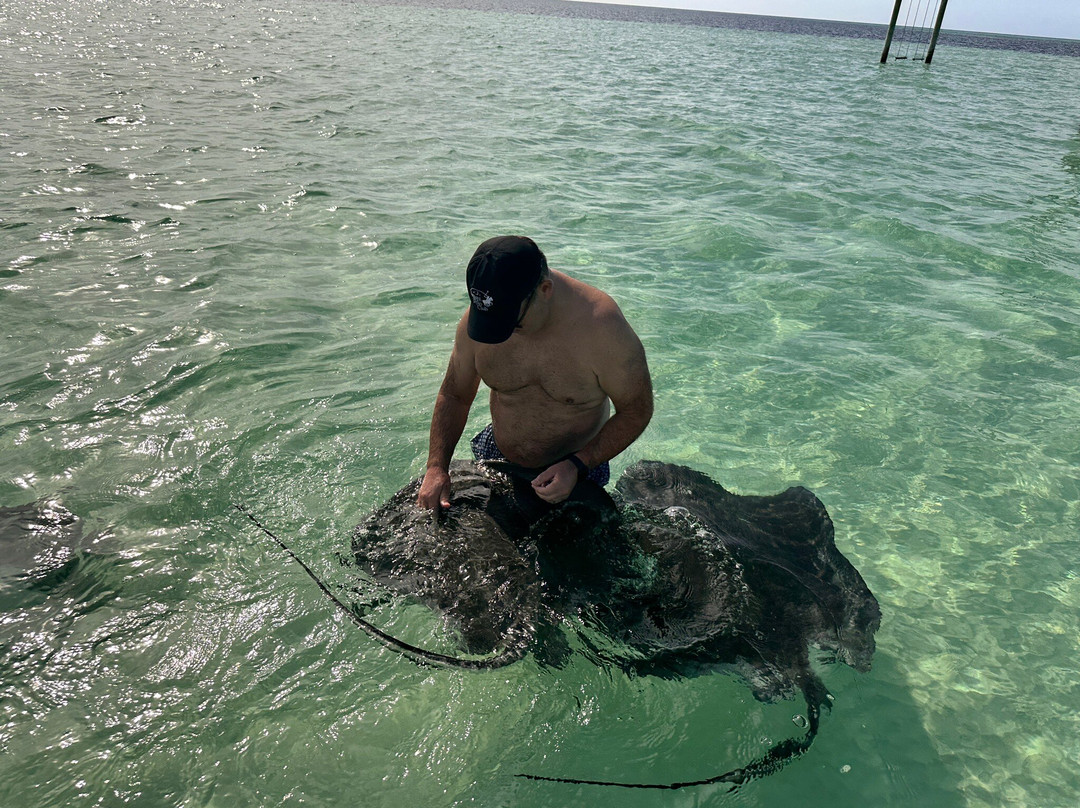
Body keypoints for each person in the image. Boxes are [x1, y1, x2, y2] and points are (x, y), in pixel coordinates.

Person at [417, 235, 653, 510]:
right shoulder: (479, 321)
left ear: (545, 289)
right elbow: (455, 394)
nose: (501, 331)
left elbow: (637, 409)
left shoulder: (603, 330)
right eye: (491, 319)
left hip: (578, 468)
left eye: (510, 320)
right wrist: (436, 466)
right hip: (496, 455)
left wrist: (579, 463)